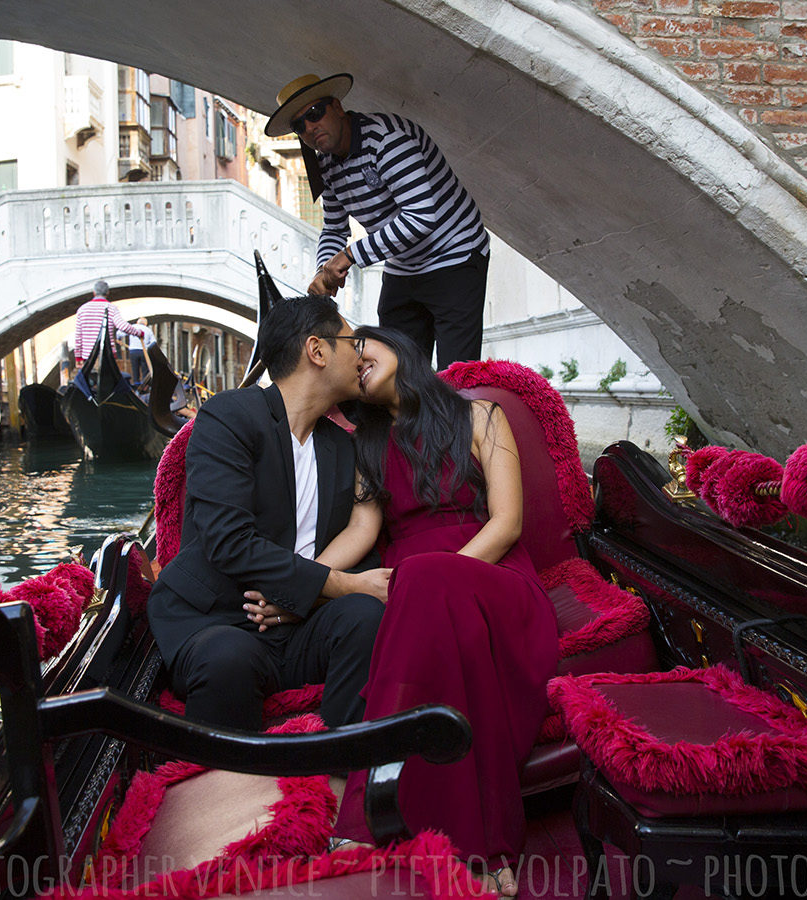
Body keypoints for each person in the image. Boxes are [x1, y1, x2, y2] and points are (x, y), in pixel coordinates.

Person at [246, 325, 556, 895]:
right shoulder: (366, 444)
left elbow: (507, 522)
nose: (358, 357)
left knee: (421, 579)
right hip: (412, 597)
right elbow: (363, 530)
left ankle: (373, 825)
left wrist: (440, 576)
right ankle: (471, 848)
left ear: (402, 347)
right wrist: (306, 590)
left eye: (367, 344)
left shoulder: (481, 416)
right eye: (351, 355)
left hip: (492, 579)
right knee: (418, 590)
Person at [146, 294, 390, 732]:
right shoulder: (230, 415)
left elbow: (359, 533)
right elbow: (229, 541)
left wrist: (309, 599)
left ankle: (343, 762)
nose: (361, 355)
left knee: (365, 618)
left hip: (302, 624)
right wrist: (338, 584)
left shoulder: (343, 446)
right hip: (217, 618)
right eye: (352, 343)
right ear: (317, 350)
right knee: (227, 658)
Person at [266, 73, 490, 370]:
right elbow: (334, 227)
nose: (309, 127)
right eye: (299, 125)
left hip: (455, 255)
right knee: (396, 372)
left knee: (456, 378)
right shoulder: (326, 163)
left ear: (337, 107)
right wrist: (324, 271)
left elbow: (420, 218)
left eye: (315, 113)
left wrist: (349, 257)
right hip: (404, 265)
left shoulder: (387, 140)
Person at [72, 280, 149, 369]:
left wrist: (78, 357)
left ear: (94, 293)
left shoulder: (82, 310)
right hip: (107, 354)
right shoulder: (111, 308)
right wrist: (138, 333)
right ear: (108, 293)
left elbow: (78, 336)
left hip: (88, 355)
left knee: (90, 380)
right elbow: (122, 326)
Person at [127, 317, 154, 387]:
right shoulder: (148, 330)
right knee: (145, 369)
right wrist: (148, 345)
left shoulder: (132, 327)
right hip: (144, 351)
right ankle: (144, 385)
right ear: (146, 324)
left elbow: (119, 333)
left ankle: (136, 383)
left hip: (133, 351)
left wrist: (118, 338)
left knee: (135, 368)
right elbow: (153, 342)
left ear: (137, 322)